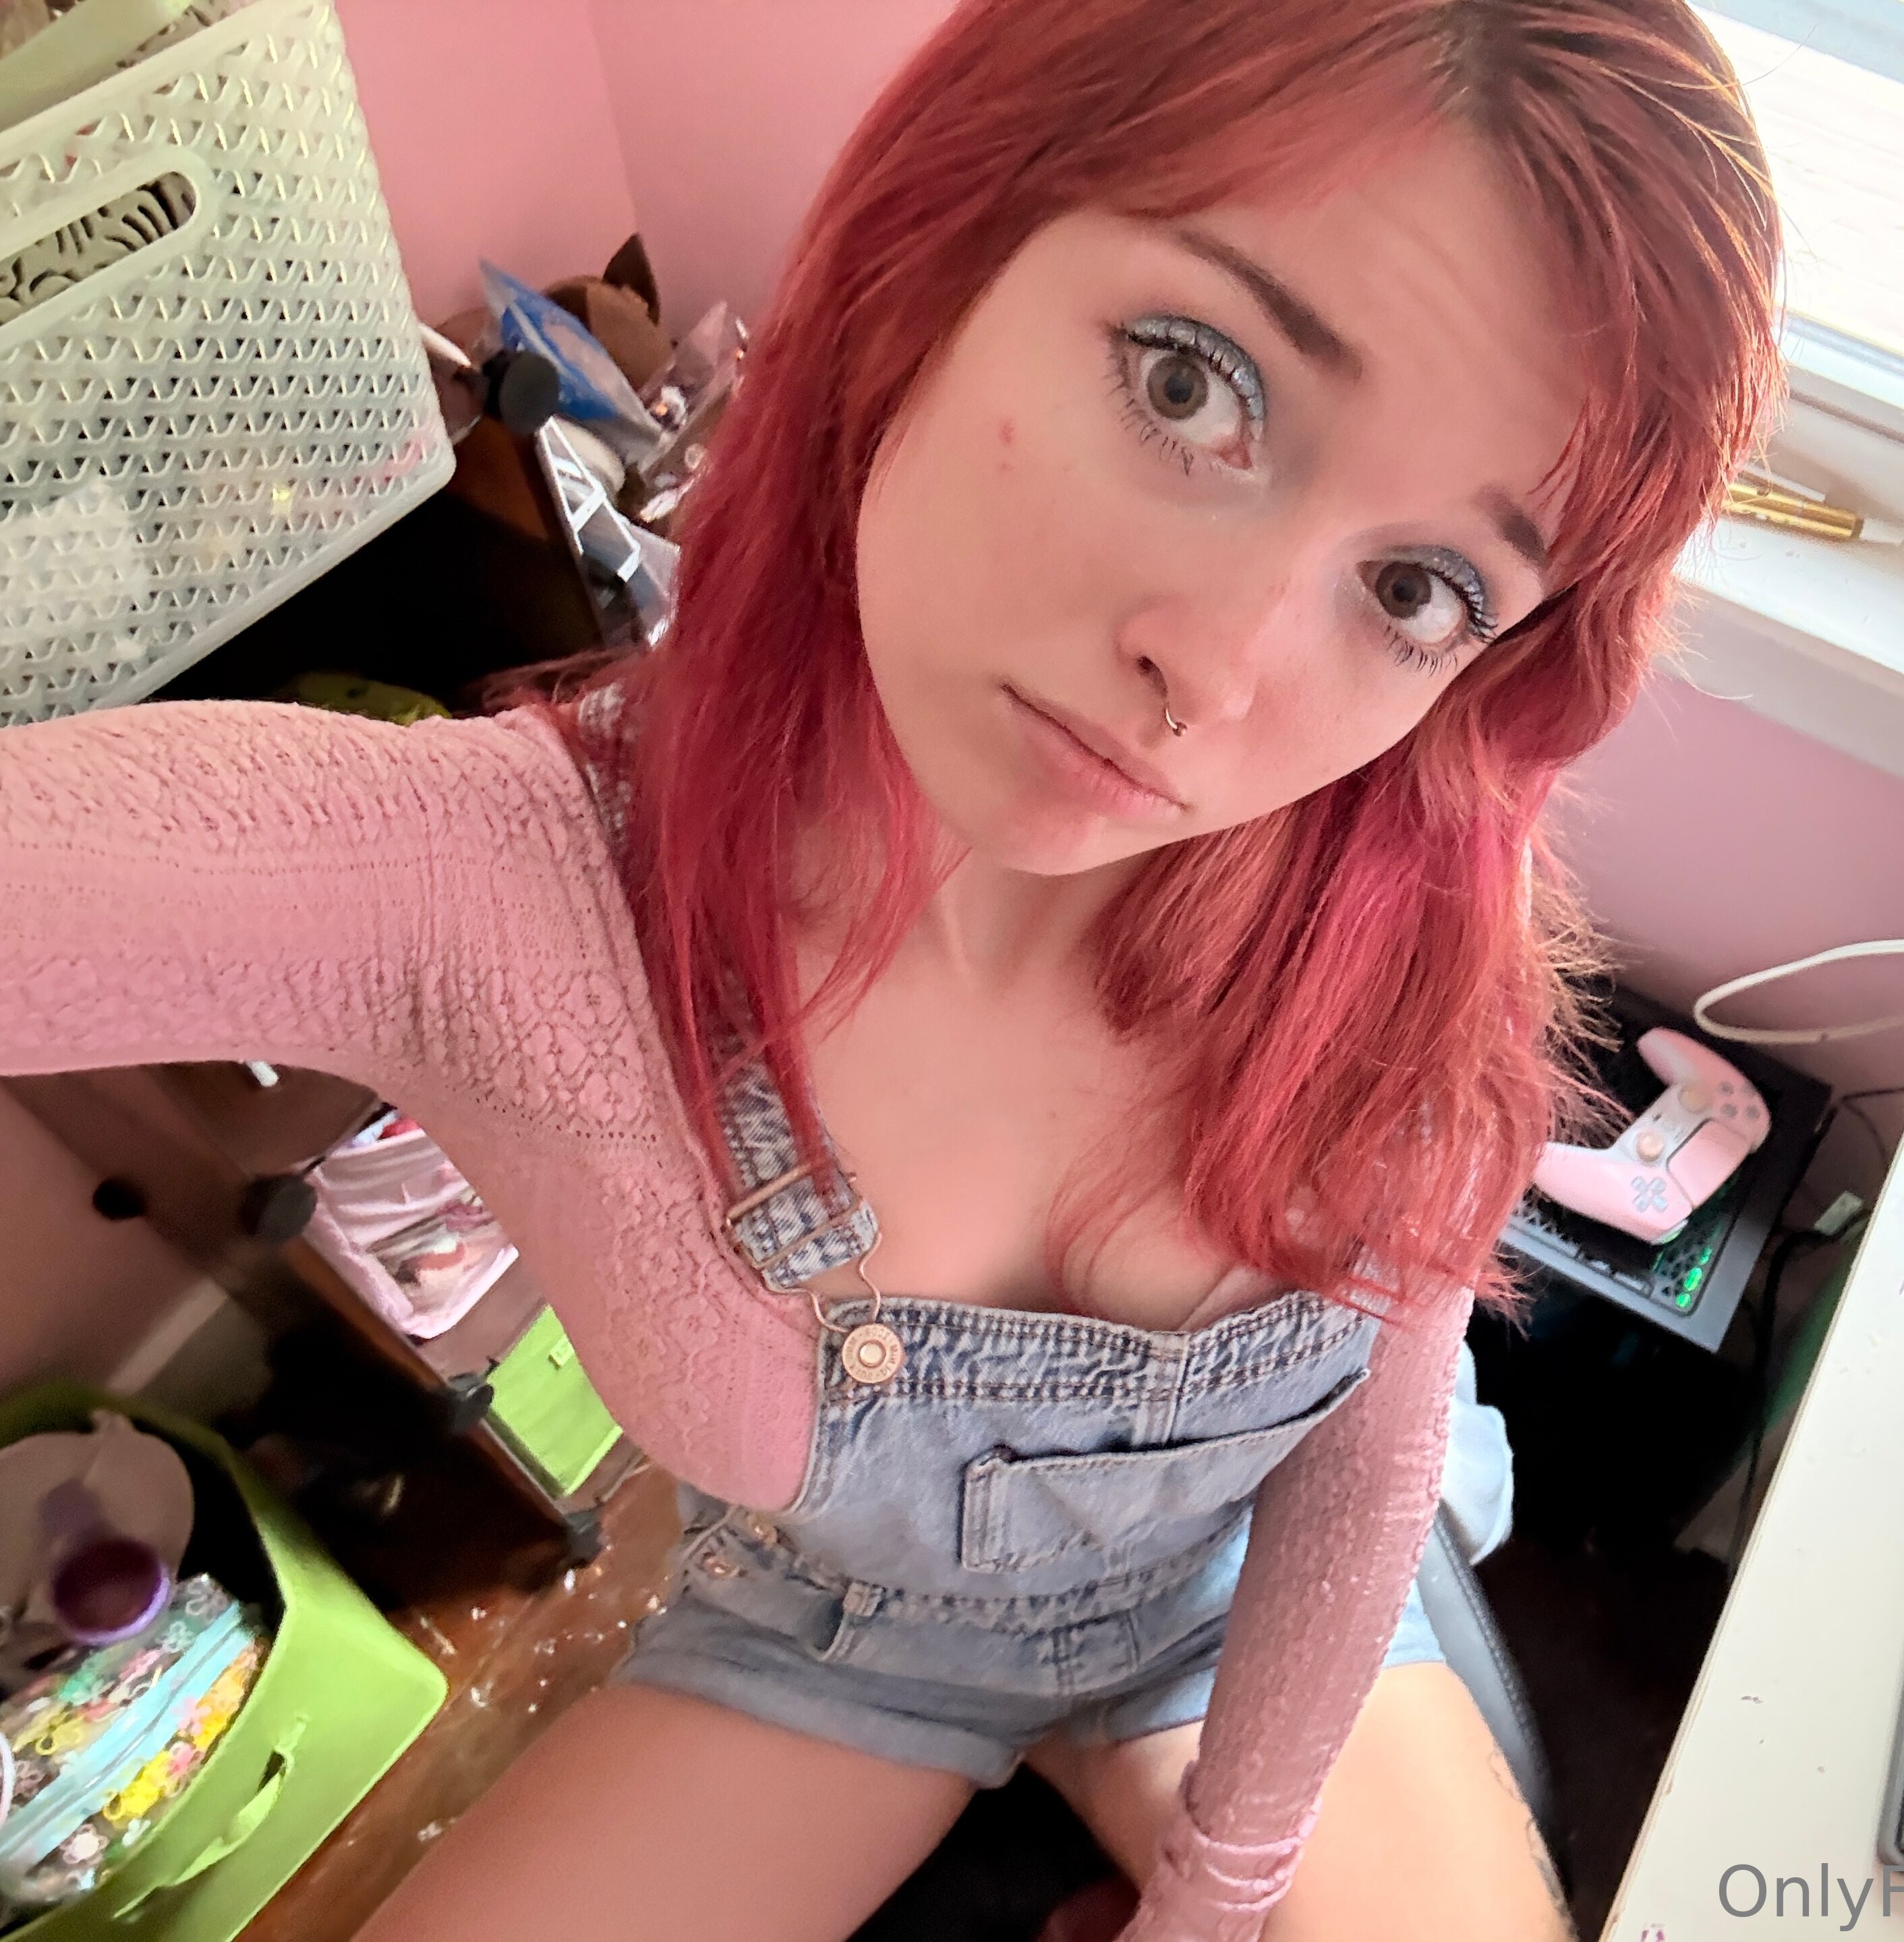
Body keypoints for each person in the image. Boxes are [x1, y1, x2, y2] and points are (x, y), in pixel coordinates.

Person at [0, 0, 1779, 1934]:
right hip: (841, 1640)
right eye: (1192, 385)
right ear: (942, 249)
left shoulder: (1407, 920)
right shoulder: (491, 896)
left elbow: (1370, 1446)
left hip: (1242, 1591)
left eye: (1419, 589)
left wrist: (1219, 1889)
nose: (1218, 670)